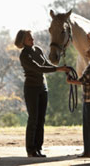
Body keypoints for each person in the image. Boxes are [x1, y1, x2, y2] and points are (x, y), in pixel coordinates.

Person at [14, 30, 70, 158]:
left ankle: (38, 148)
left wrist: (59, 66)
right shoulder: (24, 55)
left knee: (41, 119)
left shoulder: (37, 49)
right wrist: (58, 69)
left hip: (43, 87)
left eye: (31, 36)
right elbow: (39, 68)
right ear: (23, 41)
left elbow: (45, 64)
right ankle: (30, 149)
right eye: (29, 38)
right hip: (31, 88)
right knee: (33, 118)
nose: (32, 38)